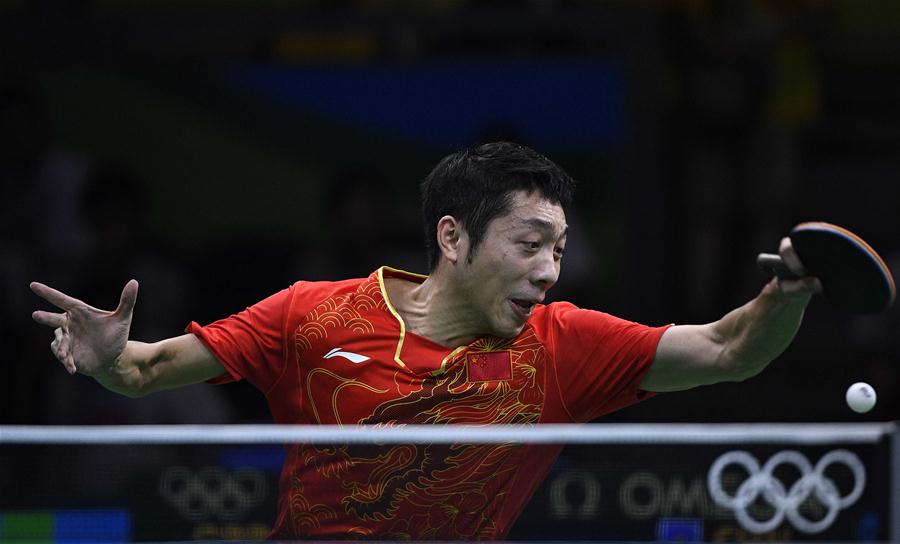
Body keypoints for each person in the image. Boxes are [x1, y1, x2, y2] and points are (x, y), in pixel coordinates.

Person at [30, 142, 820, 540]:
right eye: (529, 243)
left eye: (559, 247)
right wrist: (106, 360)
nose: (550, 269)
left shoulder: (564, 345)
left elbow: (728, 350)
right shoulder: (314, 315)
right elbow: (148, 370)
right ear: (453, 236)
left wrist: (783, 296)